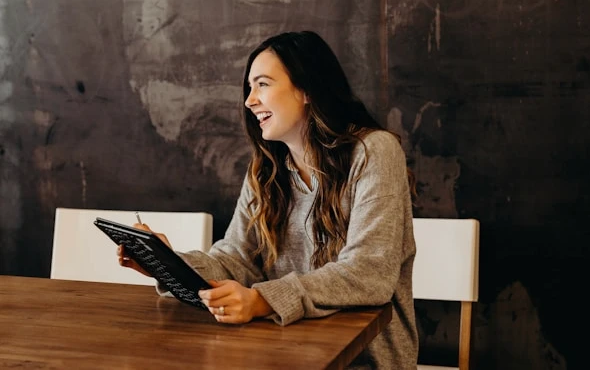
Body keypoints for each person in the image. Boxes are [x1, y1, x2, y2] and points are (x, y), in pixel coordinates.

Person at [118, 30, 419, 369]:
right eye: (249, 88)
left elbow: (369, 274)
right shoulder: (266, 170)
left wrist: (262, 300)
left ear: (306, 89)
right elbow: (236, 260)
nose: (249, 100)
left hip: (362, 360)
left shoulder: (374, 152)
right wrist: (169, 264)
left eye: (262, 84)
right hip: (281, 352)